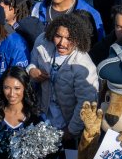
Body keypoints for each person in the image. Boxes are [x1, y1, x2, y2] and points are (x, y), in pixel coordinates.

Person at [27, 12, 98, 141]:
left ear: (78, 39)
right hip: (41, 118)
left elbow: (86, 104)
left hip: (65, 127)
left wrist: (71, 131)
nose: (62, 43)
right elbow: (32, 62)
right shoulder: (42, 42)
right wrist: (31, 70)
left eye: (69, 38)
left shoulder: (84, 65)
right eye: (58, 36)